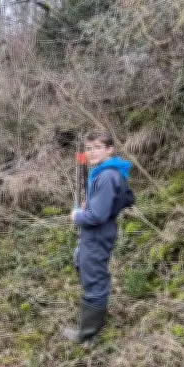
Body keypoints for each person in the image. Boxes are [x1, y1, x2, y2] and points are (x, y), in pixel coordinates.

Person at [62, 131, 134, 343]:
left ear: (110, 149)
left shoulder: (106, 175)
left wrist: (78, 215)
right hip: (99, 233)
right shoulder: (112, 171)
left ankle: (88, 334)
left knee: (93, 277)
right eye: (89, 148)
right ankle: (95, 320)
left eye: (98, 147)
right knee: (85, 267)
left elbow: (98, 216)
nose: (92, 152)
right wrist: (93, 204)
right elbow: (127, 198)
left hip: (96, 235)